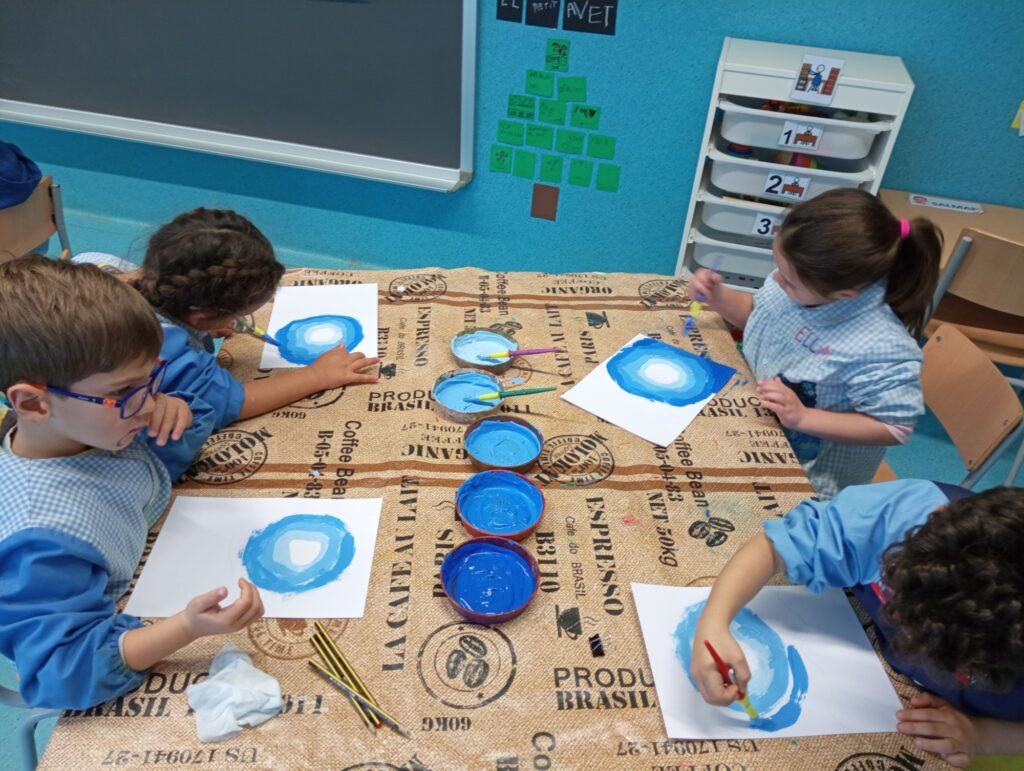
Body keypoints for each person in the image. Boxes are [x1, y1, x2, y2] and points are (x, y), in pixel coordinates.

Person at [0, 256, 265, 709]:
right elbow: (64, 674)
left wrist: (179, 409)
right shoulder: (40, 542)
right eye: (124, 391)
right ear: (34, 404)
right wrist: (186, 628)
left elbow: (150, 455)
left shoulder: (89, 425)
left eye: (151, 380)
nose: (147, 405)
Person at [689, 480, 1024, 768]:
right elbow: (774, 548)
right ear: (934, 518)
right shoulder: (902, 516)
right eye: (899, 597)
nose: (908, 631)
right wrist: (714, 621)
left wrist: (982, 735)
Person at [80, 208, 379, 480]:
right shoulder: (171, 353)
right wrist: (316, 375)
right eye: (237, 314)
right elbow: (236, 402)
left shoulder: (98, 266)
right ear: (203, 315)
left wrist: (202, 325)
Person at [690, 188, 942, 498]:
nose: (777, 281)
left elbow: (894, 428)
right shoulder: (803, 281)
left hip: (807, 480)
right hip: (756, 430)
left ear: (843, 294)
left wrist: (803, 417)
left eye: (788, 281)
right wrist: (719, 298)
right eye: (779, 269)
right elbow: (760, 317)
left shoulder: (881, 349)